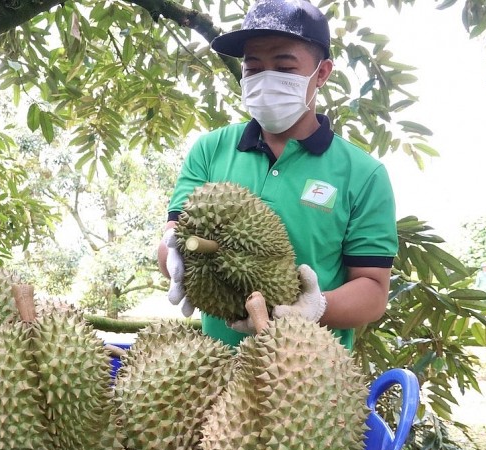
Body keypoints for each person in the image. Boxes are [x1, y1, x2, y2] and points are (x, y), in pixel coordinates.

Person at [157, 0, 398, 351]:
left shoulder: (364, 175)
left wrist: (316, 308)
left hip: (306, 379)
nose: (266, 78)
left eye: (284, 66)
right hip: (213, 371)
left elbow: (373, 291)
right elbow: (175, 238)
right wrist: (171, 257)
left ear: (322, 72)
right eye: (253, 68)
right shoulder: (209, 150)